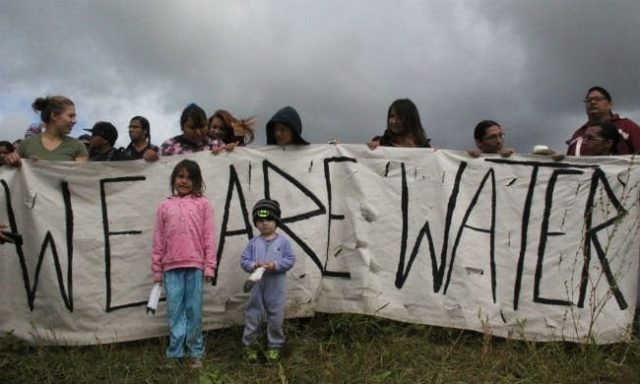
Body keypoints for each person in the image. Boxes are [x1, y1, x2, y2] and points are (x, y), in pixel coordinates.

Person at [151, 159, 217, 368]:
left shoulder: (203, 204)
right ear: (174, 179)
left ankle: (195, 351)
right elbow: (158, 238)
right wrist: (157, 268)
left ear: (197, 181)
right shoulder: (165, 206)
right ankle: (175, 353)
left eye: (189, 177)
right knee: (174, 310)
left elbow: (209, 236)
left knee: (193, 309)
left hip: (195, 265)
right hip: (170, 267)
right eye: (180, 176)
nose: (184, 181)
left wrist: (209, 265)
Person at [240, 199, 296, 363]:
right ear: (256, 223)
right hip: (256, 288)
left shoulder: (283, 243)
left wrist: (276, 265)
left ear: (276, 221)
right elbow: (244, 260)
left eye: (269, 220)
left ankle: (275, 347)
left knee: (276, 317)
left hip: (276, 289)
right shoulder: (253, 243)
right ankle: (250, 346)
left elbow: (290, 259)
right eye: (260, 220)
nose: (264, 224)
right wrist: (253, 265)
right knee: (253, 316)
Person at [4, 95, 88, 166]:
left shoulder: (78, 146)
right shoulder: (26, 144)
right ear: (54, 115)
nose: (75, 121)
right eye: (71, 116)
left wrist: (43, 167)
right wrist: (11, 160)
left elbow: (79, 179)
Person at [566, 86, 640, 156]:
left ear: (610, 104)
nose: (592, 102)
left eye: (598, 99)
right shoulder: (578, 134)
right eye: (588, 100)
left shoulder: (627, 126)